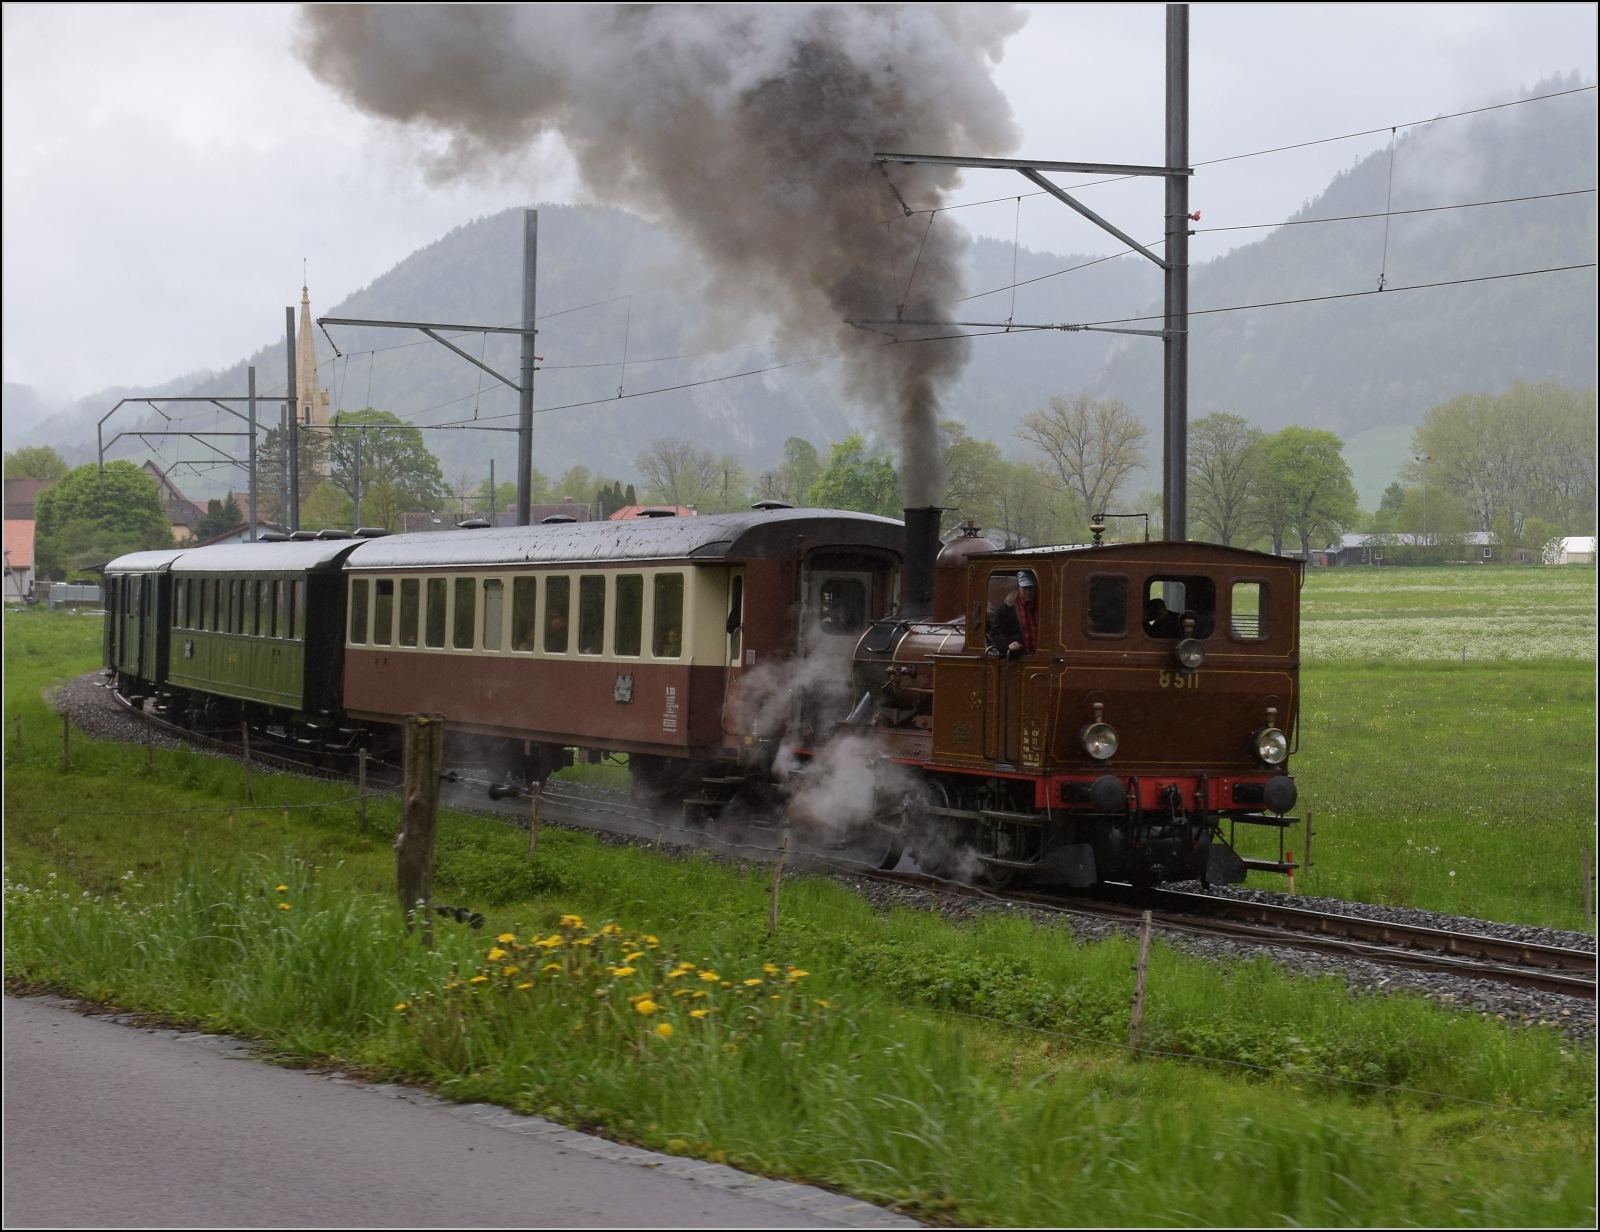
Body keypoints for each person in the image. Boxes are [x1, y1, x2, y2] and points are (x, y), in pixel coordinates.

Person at [986, 572, 1038, 658]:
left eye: (1031, 588)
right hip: (1018, 659)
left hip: (1039, 657)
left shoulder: (1043, 604)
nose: (1028, 592)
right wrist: (1008, 644)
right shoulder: (1008, 607)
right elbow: (996, 632)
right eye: (1025, 588)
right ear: (1019, 588)